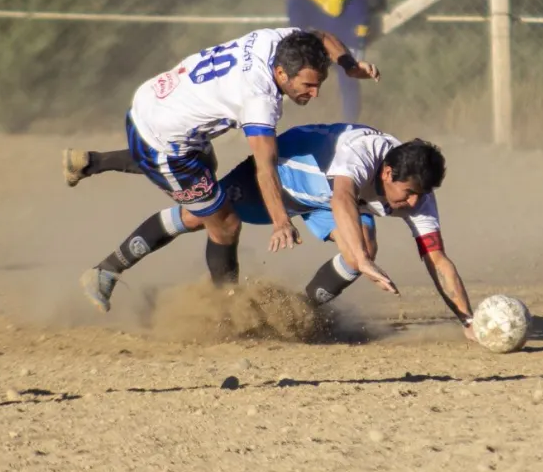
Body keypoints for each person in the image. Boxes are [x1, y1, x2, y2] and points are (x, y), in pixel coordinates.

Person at [80, 122, 476, 341]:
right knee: (204, 217)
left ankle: (292, 317)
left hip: (324, 199)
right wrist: (367, 263)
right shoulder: (360, 157)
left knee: (361, 247)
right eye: (406, 194)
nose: (411, 205)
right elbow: (341, 200)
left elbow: (439, 261)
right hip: (286, 173)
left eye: (418, 197)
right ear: (386, 173)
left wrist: (469, 322)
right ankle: (108, 268)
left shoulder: (418, 194)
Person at [68, 28, 380, 307]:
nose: (315, 93)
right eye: (308, 85)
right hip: (166, 143)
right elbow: (265, 166)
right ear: (282, 73)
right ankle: (220, 308)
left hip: (155, 100)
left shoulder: (277, 42)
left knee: (207, 176)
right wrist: (280, 221)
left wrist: (349, 66)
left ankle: (93, 162)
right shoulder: (259, 99)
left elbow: (321, 36)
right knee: (224, 222)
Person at [286, 0, 385, 123]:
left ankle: (351, 124)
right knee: (296, 1)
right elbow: (320, 1)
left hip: (351, 30)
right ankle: (296, 44)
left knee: (348, 77)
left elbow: (333, 8)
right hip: (336, 26)